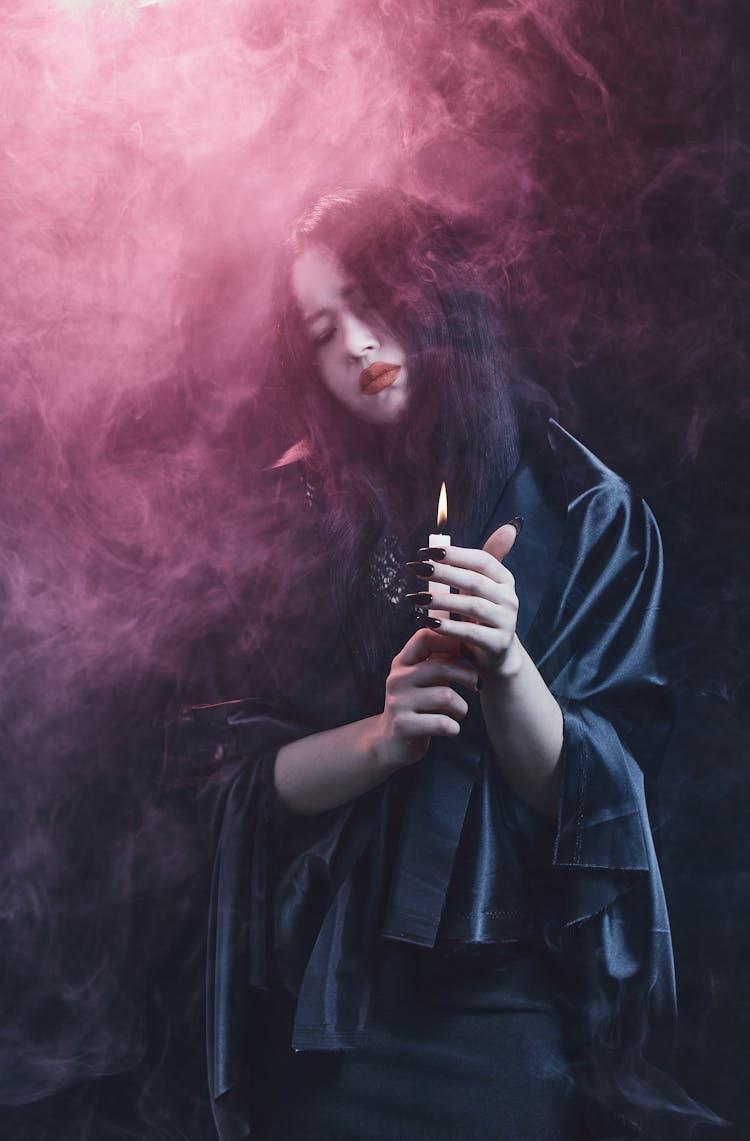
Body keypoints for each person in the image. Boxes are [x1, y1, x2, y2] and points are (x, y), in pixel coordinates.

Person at [179, 187, 681, 1140]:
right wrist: (379, 738)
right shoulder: (291, 516)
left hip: (506, 1020)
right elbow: (230, 777)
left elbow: (596, 799)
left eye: (374, 303)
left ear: (439, 298)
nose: (358, 346)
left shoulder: (586, 511)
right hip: (327, 1018)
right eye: (324, 330)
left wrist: (507, 663)